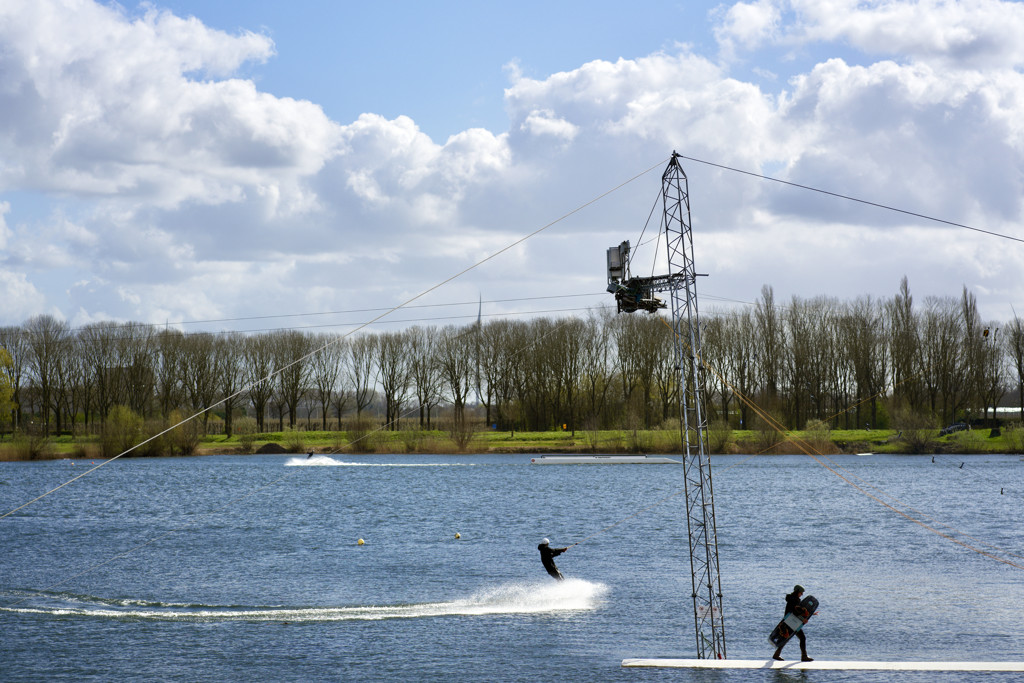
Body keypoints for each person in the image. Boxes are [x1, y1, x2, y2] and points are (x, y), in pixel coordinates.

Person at [772, 584, 815, 662]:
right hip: (792, 622)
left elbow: (797, 610)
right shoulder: (795, 600)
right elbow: (795, 611)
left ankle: (776, 654)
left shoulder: (792, 598)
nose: (802, 594)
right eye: (801, 592)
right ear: (797, 591)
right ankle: (804, 656)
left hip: (788, 621)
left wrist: (811, 613)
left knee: (787, 637)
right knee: (802, 637)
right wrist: (803, 619)